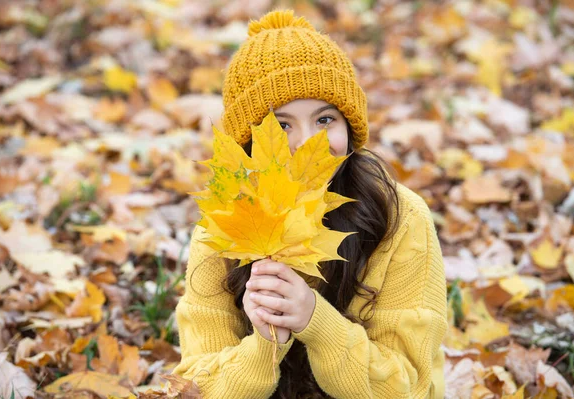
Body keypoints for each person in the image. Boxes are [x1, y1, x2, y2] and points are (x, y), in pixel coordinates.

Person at [172, 9, 447, 399]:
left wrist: (316, 321)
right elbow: (197, 387)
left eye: (325, 120)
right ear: (250, 143)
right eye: (281, 125)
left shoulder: (401, 219)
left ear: (350, 129)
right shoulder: (223, 226)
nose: (306, 142)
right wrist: (265, 342)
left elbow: (410, 388)